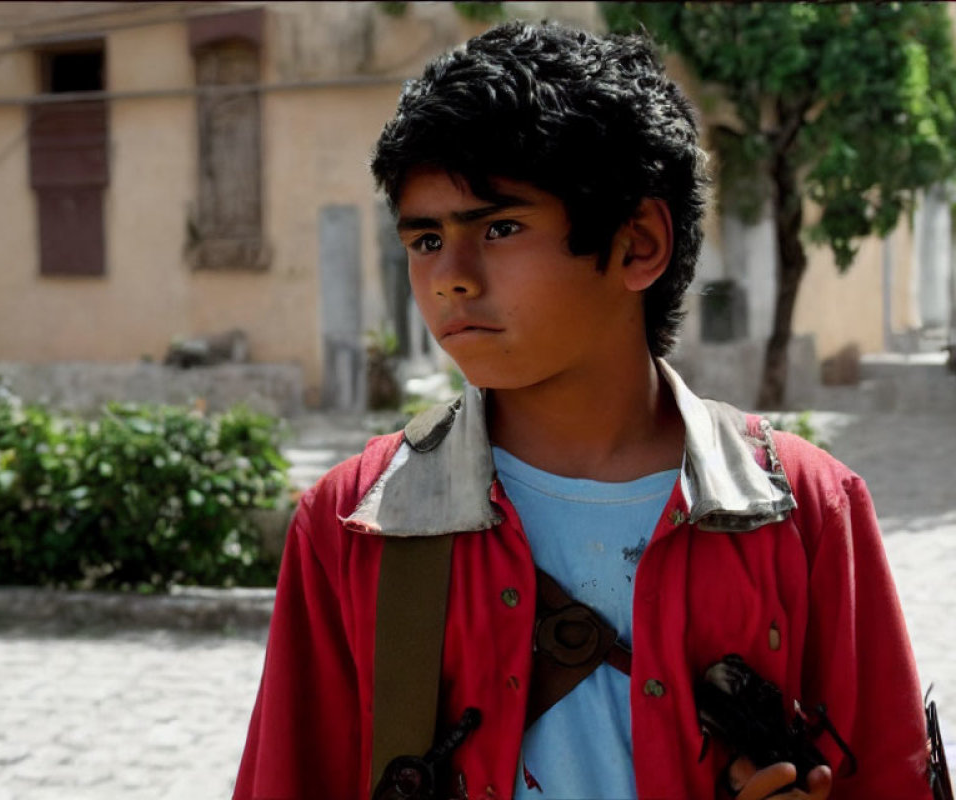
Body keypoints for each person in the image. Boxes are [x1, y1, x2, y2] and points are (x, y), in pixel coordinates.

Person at [234, 20, 933, 800]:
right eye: (425, 239)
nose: (451, 277)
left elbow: (888, 771)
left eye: (500, 227)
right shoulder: (354, 526)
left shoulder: (804, 511)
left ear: (638, 244)